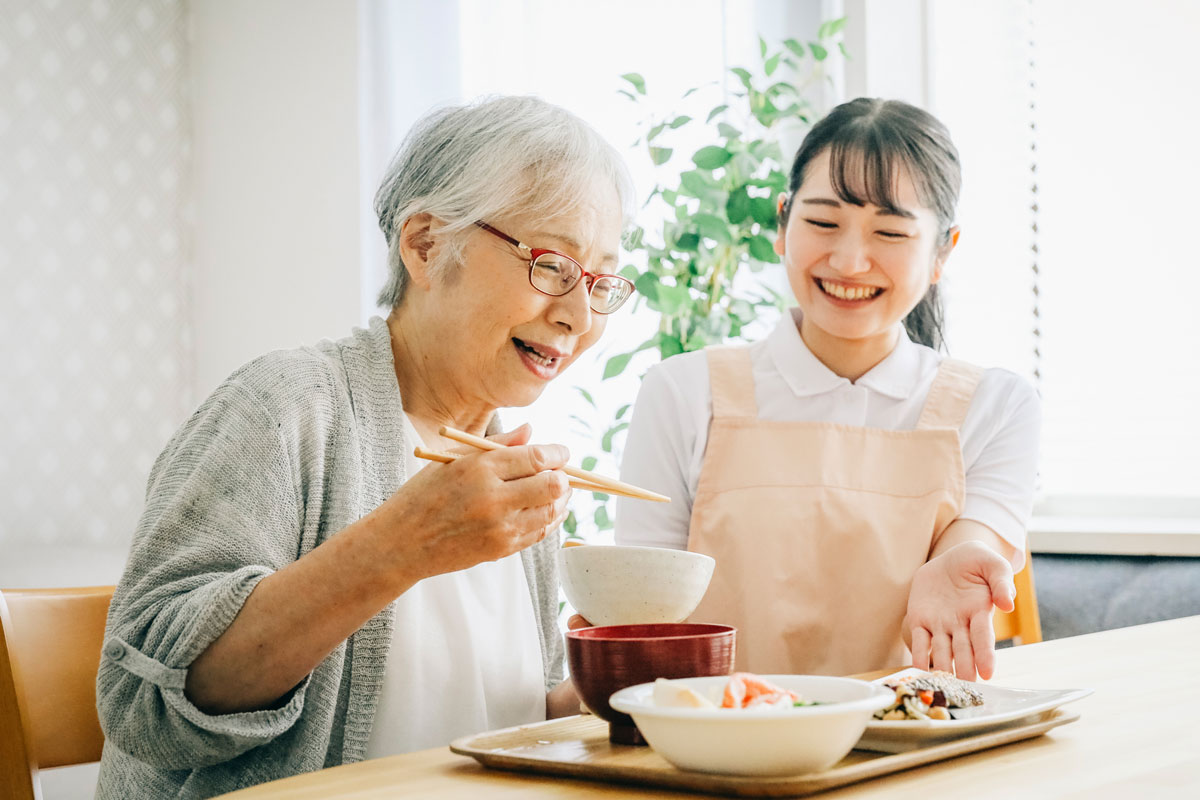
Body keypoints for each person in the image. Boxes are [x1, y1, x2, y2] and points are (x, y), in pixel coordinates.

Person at [95, 95, 635, 798]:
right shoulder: (285, 406)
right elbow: (147, 707)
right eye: (553, 266)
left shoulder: (507, 463)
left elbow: (495, 718)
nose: (578, 315)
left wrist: (604, 688)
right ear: (425, 244)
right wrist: (401, 547)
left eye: (600, 282)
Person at [616, 97, 1039, 682]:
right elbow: (644, 613)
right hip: (715, 747)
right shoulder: (682, 392)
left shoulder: (997, 405)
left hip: (909, 746)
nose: (849, 260)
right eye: (822, 222)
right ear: (783, 224)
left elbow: (973, 541)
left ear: (944, 251)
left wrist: (960, 563)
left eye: (890, 231)